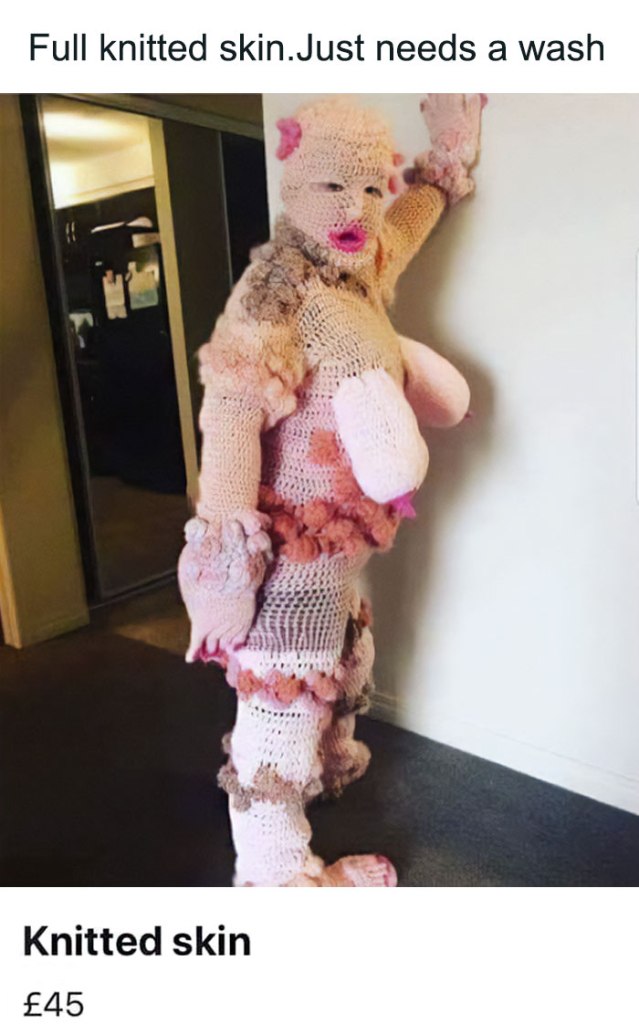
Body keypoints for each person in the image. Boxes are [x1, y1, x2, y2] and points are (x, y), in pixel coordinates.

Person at [178, 93, 485, 886]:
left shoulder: (359, 268)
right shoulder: (273, 294)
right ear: (294, 185)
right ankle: (276, 876)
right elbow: (232, 416)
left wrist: (445, 162)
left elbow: (402, 224)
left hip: (338, 549)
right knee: (278, 708)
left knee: (344, 656)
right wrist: (224, 556)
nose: (355, 209)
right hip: (288, 555)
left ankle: (326, 761)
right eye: (331, 188)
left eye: (369, 187)